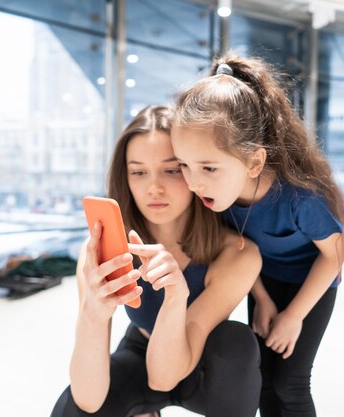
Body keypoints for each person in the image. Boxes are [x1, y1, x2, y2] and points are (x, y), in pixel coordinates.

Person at [50, 105, 263, 417]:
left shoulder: (237, 253)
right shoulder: (101, 253)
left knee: (237, 342)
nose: (154, 188)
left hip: (206, 371)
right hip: (142, 352)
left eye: (172, 170)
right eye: (138, 172)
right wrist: (92, 316)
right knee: (72, 410)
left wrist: (177, 297)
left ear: (194, 170)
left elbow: (166, 377)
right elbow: (89, 399)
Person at [170, 53, 344, 417]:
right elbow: (244, 252)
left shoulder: (300, 199)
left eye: (208, 167)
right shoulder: (219, 198)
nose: (193, 182)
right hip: (265, 278)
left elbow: (335, 254)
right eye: (184, 165)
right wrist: (264, 300)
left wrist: (294, 316)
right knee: (264, 379)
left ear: (254, 161)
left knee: (291, 382)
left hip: (313, 283)